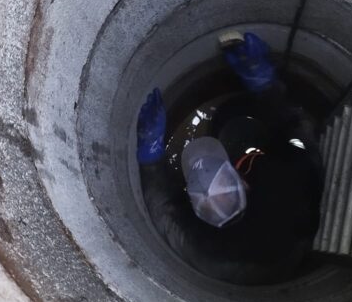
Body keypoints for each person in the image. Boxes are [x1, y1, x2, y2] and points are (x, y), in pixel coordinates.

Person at [136, 32, 324, 284]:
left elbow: (164, 212)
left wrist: (150, 155)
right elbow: (302, 140)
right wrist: (267, 87)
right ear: (244, 183)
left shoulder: (200, 244)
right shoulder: (289, 184)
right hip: (289, 254)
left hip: (274, 253)